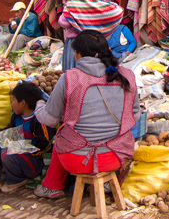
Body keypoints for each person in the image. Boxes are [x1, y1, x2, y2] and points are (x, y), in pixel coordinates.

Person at [33, 30, 138, 199]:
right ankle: (103, 182)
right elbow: (135, 116)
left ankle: (53, 187)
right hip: (117, 156)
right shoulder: (127, 75)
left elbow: (49, 119)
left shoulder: (70, 77)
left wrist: (39, 105)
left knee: (62, 133)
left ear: (78, 54)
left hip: (76, 159)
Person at [0, 82, 55, 193]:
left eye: (14, 100)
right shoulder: (16, 117)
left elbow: (45, 147)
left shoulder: (40, 120)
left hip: (35, 161)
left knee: (8, 151)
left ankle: (16, 180)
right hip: (17, 154)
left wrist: (21, 149)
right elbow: (7, 134)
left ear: (22, 103)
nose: (12, 103)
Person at [57, 0, 88, 71]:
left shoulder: (73, 2)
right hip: (84, 42)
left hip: (75, 42)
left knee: (72, 70)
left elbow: (63, 22)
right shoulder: (86, 0)